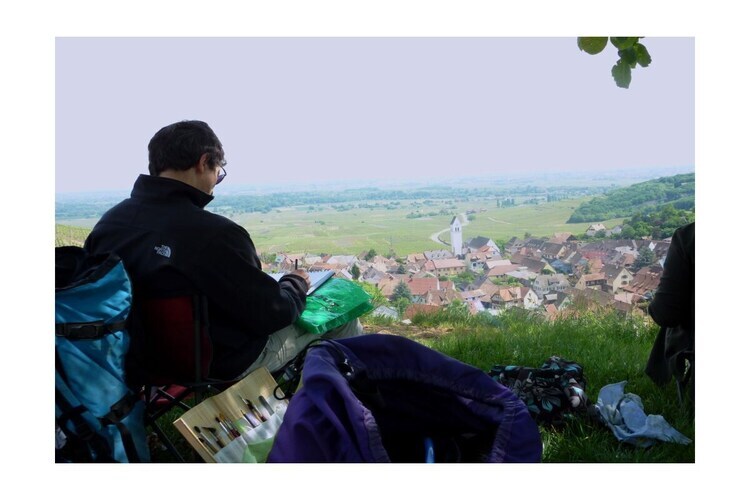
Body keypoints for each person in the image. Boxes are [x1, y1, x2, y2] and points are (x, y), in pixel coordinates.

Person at [84, 120, 362, 384]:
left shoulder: (109, 224)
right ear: (204, 162)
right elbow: (271, 315)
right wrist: (296, 283)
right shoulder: (215, 235)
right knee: (344, 319)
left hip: (134, 360)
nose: (216, 181)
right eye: (219, 173)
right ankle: (343, 403)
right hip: (218, 365)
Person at [644, 222, 695, 402]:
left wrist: (652, 306)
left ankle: (660, 378)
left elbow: (664, 314)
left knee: (672, 315)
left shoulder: (689, 237)